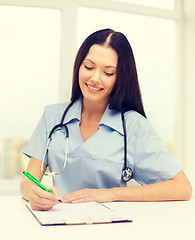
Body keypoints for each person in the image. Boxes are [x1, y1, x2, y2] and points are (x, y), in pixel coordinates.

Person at [20, 29, 192, 211]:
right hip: (58, 223)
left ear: (121, 78)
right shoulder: (52, 116)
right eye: (88, 67)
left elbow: (182, 188)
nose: (95, 78)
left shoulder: (134, 125)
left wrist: (109, 194)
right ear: (79, 65)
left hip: (110, 227)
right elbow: (27, 182)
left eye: (108, 73)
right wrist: (35, 194)